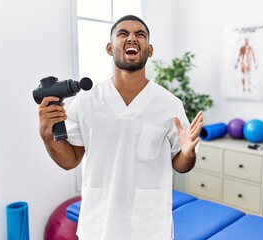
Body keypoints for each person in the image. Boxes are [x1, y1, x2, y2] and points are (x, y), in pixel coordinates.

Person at [38, 15, 203, 239]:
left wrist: (186, 152)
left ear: (150, 49)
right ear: (109, 48)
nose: (132, 38)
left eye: (140, 34)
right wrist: (47, 135)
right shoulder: (87, 102)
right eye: (123, 34)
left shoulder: (170, 105)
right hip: (99, 224)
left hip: (148, 225)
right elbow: (70, 160)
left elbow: (181, 165)